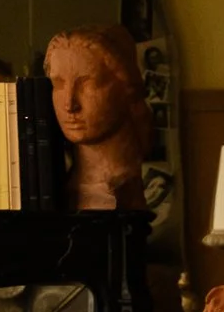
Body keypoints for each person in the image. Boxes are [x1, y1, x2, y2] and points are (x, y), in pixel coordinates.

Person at [41, 25, 152, 211]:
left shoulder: (134, 185)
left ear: (125, 86)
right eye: (58, 84)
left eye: (87, 83)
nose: (69, 104)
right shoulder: (55, 187)